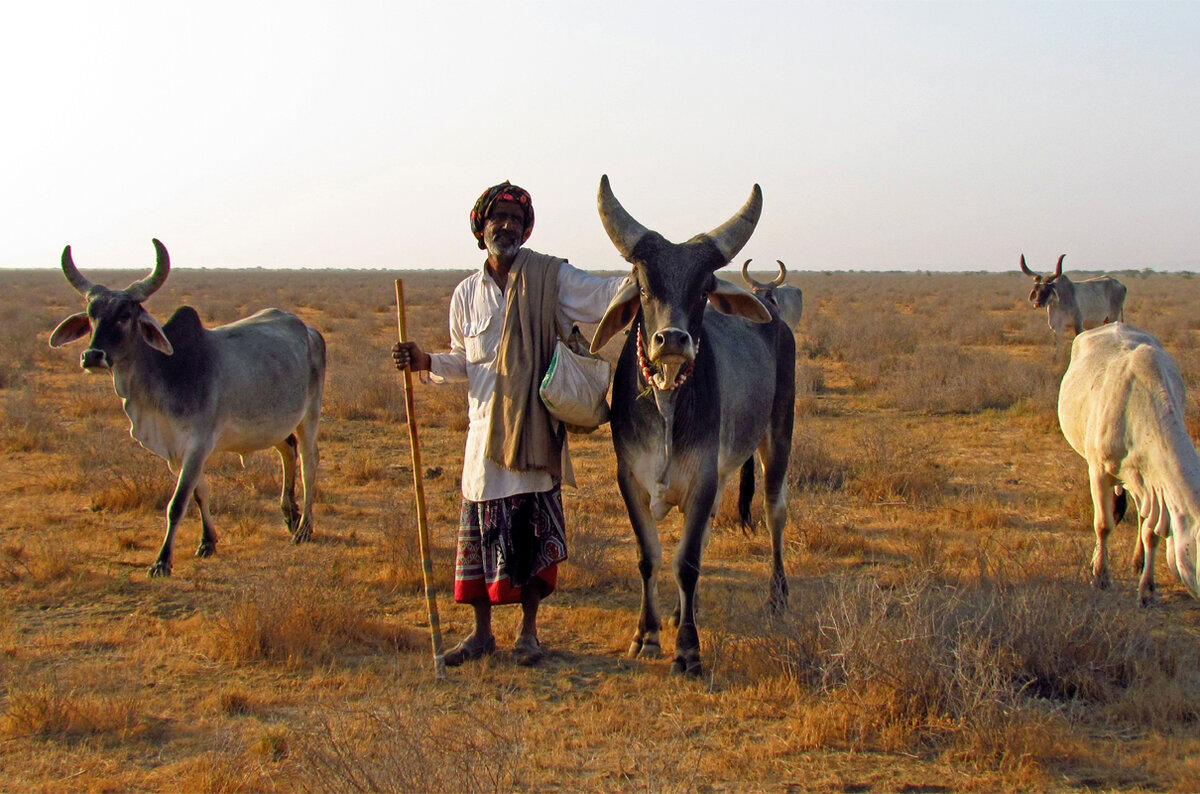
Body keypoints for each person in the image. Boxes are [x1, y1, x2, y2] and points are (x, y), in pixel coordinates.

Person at [392, 181, 626, 667]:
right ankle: (481, 635)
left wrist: (647, 273)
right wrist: (424, 361)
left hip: (534, 432)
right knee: (481, 536)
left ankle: (528, 634)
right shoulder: (466, 294)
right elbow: (462, 360)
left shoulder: (550, 278)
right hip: (483, 436)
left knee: (530, 535)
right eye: (498, 218)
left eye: (516, 220)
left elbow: (603, 294)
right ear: (481, 228)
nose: (507, 226)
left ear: (526, 229)